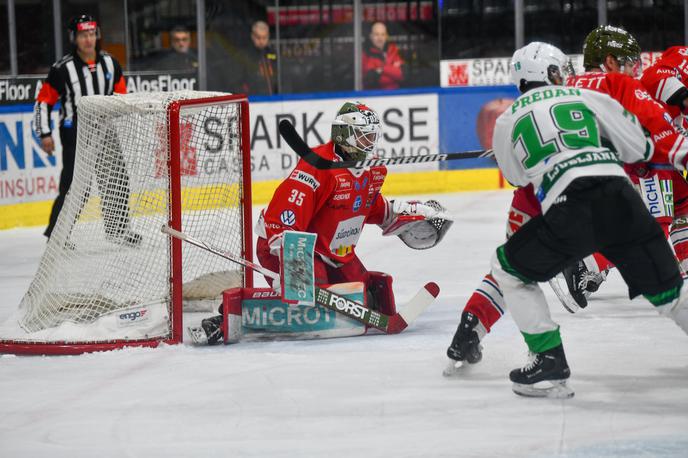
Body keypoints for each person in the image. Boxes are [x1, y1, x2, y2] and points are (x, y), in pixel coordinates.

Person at [445, 26, 688, 367]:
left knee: (511, 265)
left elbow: (516, 176)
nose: (635, 69)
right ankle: (590, 270)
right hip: (596, 180)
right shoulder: (608, 86)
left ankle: (471, 325)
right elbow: (646, 137)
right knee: (656, 238)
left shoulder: (514, 114)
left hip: (538, 187)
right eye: (630, 62)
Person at [199, 102, 451, 344]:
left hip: (335, 251)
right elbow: (281, 219)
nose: (369, 143)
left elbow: (369, 206)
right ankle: (233, 313)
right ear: (345, 134)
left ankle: (308, 293)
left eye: (372, 136)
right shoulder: (316, 167)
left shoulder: (373, 170)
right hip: (290, 247)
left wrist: (404, 215)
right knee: (310, 304)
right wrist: (291, 267)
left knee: (362, 295)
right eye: (363, 136)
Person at [33, 14, 141, 247]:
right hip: (75, 135)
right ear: (74, 38)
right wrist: (45, 133)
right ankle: (57, 234)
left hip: (106, 132)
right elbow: (43, 102)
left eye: (92, 34)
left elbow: (122, 96)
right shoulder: (62, 69)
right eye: (83, 35)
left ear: (97, 35)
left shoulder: (111, 63)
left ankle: (119, 230)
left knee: (116, 180)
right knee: (73, 187)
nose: (88, 39)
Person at [237, 20, 277, 95]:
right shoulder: (245, 56)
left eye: (264, 37)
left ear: (268, 36)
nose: (261, 41)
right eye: (258, 37)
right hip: (254, 101)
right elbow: (239, 81)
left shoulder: (273, 54)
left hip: (274, 101)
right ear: (253, 36)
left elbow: (282, 79)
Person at [362, 22, 404, 90]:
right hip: (375, 97)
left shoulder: (393, 50)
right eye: (376, 34)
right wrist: (392, 68)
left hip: (396, 96)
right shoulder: (365, 54)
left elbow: (401, 75)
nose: (380, 38)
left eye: (383, 34)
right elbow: (369, 80)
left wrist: (381, 69)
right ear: (371, 36)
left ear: (386, 36)